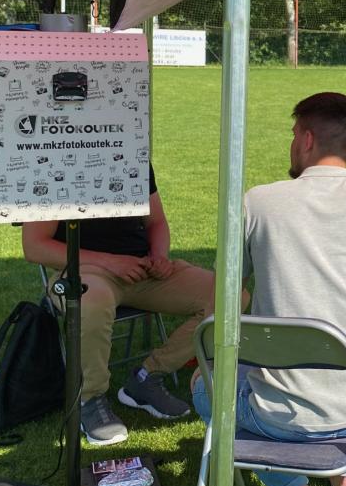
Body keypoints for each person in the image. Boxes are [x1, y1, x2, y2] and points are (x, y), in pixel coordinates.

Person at [192, 92, 346, 486]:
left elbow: (225, 299)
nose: (291, 144)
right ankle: (343, 469)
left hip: (284, 415)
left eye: (294, 135)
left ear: (307, 139)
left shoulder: (258, 202)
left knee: (204, 386)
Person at [21, 165, 216, 446]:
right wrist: (111, 262)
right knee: (92, 301)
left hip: (142, 269)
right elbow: (35, 246)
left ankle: (147, 377)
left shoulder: (133, 155)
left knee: (228, 296)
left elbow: (156, 222)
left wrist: (160, 256)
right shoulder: (54, 161)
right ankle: (90, 399)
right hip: (84, 271)